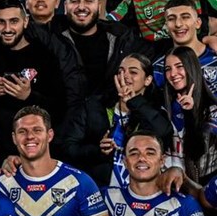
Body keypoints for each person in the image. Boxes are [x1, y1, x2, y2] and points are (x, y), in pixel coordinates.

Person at [0, 0, 83, 169]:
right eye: (1, 22)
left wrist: (29, 96)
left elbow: (60, 107)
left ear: (25, 21)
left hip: (35, 148)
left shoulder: (44, 56)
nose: (7, 29)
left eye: (14, 21)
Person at [59, 53, 172, 187]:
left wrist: (133, 101)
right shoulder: (93, 106)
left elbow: (164, 132)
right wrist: (98, 150)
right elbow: (68, 147)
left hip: (139, 192)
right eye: (121, 71)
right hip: (98, 189)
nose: (125, 76)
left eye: (133, 72)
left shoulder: (154, 111)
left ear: (147, 80)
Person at [58, 0, 142, 99]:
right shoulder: (52, 35)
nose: (81, 7)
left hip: (106, 111)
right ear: (65, 7)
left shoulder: (121, 38)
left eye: (89, 1)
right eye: (74, 1)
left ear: (99, 6)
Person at [162, 46, 217, 184]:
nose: (173, 74)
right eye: (168, 69)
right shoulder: (162, 105)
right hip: (167, 185)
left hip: (202, 189)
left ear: (191, 67)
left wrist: (190, 113)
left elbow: (196, 152)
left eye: (179, 66)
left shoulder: (212, 108)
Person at [153, 0, 217, 95]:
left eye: (185, 17)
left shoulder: (214, 55)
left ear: (198, 23)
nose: (178, 24)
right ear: (166, 26)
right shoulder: (159, 69)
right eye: (171, 19)